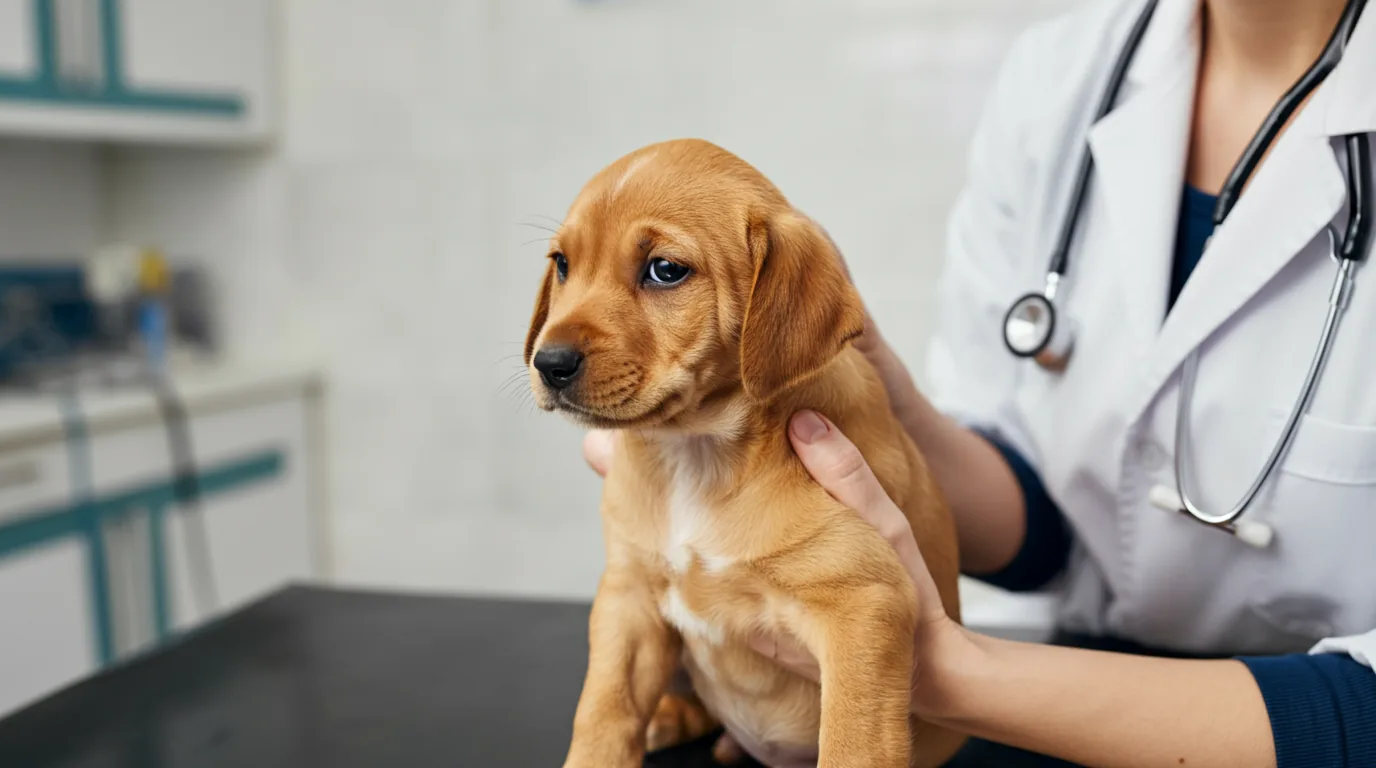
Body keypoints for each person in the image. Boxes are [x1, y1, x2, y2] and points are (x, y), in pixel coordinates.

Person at [583, 0, 1376, 765]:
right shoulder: (1061, 73)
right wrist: (888, 424)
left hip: (1305, 725)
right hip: (1064, 703)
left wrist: (951, 675)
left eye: (664, 271)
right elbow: (1050, 515)